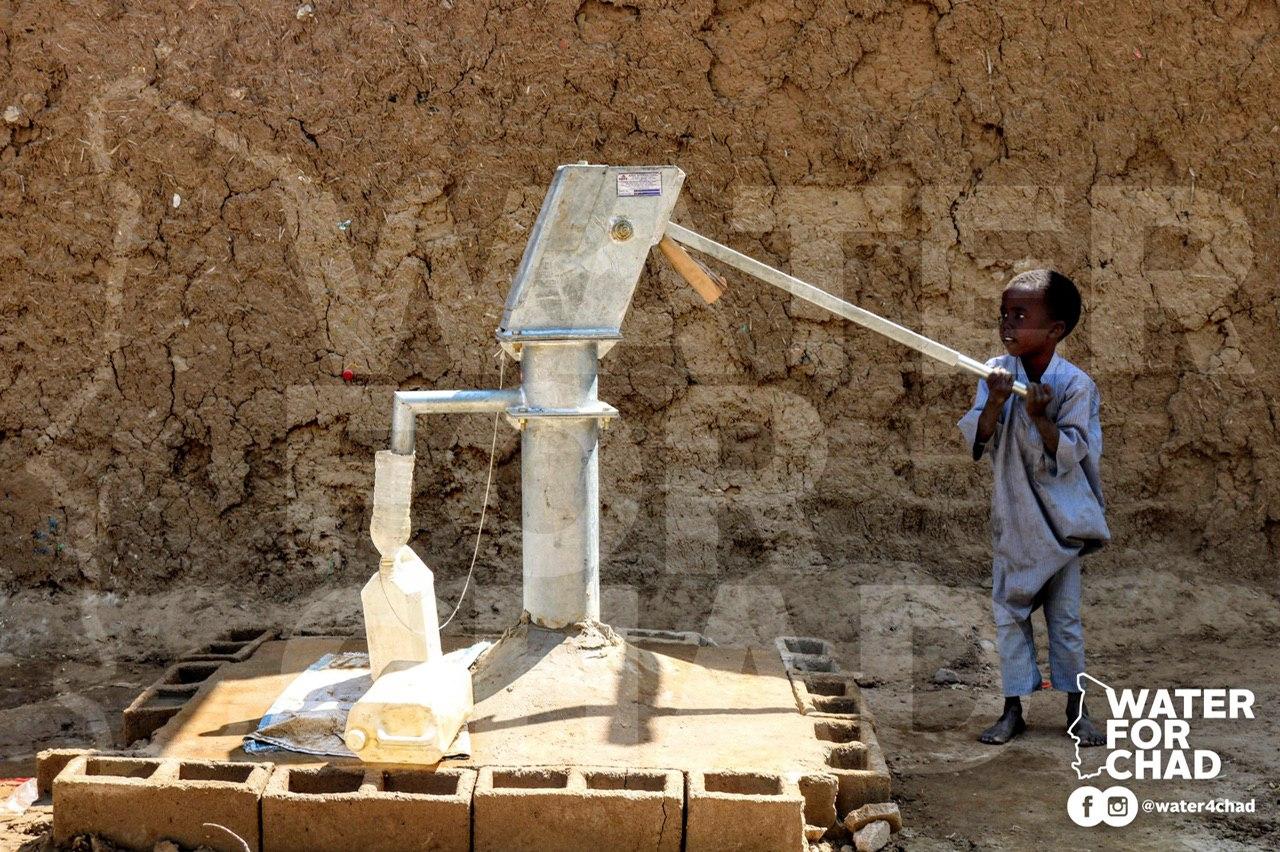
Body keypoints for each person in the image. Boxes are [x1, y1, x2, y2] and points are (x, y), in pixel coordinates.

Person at [957, 269, 1110, 746]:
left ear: (1054, 329)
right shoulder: (997, 373)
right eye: (1004, 314)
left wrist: (1039, 417)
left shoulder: (1074, 385)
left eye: (1020, 315)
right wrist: (994, 403)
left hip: (1062, 525)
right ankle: (1012, 709)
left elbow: (1070, 454)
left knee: (1064, 620)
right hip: (1015, 518)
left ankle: (1076, 709)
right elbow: (978, 441)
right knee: (1009, 616)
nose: (1007, 324)